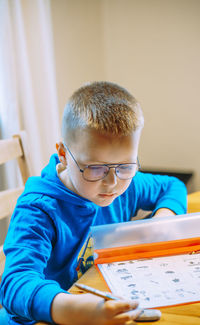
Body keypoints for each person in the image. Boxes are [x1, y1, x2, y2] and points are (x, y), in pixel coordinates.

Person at [0, 81, 187, 325]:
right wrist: (70, 308)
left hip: (101, 293)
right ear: (64, 155)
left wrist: (165, 216)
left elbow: (172, 186)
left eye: (126, 166)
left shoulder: (122, 182)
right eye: (95, 168)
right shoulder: (39, 209)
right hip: (42, 316)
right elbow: (15, 283)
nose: (112, 182)